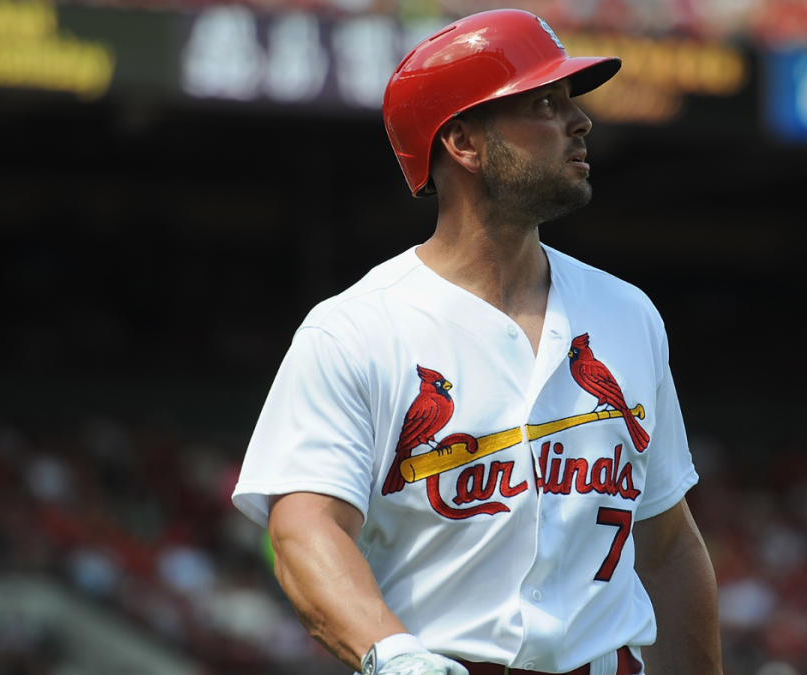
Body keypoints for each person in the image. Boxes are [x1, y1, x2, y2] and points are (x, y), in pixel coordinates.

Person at [232, 9, 722, 675]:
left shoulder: (627, 314)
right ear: (463, 142)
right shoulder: (356, 328)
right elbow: (303, 527)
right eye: (544, 105)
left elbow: (666, 547)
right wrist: (391, 650)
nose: (579, 122)